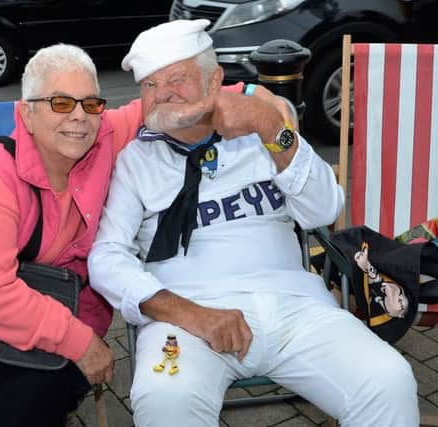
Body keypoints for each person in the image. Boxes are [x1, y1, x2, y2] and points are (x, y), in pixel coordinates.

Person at [0, 42, 294, 426]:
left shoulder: (103, 138)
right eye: (60, 102)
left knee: (25, 405)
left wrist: (258, 98)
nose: (79, 116)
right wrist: (80, 343)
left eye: (90, 103)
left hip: (54, 326)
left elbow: (176, 98)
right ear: (27, 113)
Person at [88, 19, 419, 427]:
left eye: (177, 79)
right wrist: (187, 312)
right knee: (165, 398)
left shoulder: (265, 133)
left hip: (295, 309)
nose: (162, 95)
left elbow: (323, 209)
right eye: (149, 86)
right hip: (186, 321)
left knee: (387, 380)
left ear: (215, 82)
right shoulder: (136, 162)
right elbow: (106, 257)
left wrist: (270, 128)